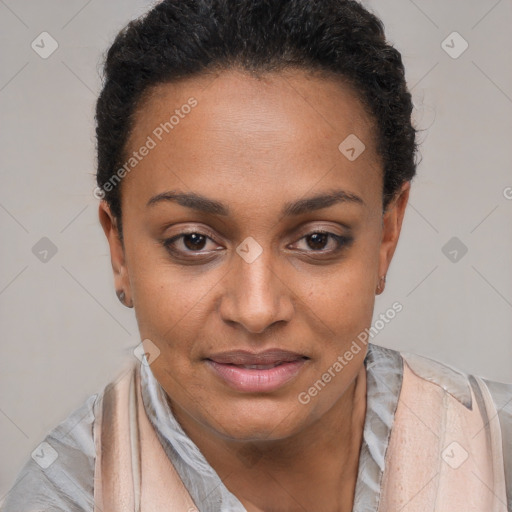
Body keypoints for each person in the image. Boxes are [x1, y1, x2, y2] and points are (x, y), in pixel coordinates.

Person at [2, 0, 511, 511]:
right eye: (194, 241)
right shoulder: (64, 495)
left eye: (317, 239)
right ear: (120, 250)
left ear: (386, 235)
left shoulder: (497, 459)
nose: (257, 309)